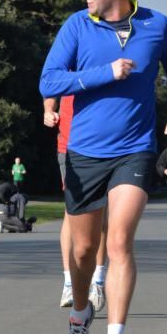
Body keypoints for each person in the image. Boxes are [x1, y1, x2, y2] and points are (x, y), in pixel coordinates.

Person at [39, 0, 167, 334]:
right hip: (85, 151)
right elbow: (49, 80)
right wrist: (106, 72)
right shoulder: (76, 26)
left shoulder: (157, 24)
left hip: (135, 149)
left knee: (120, 240)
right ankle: (81, 314)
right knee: (84, 250)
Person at [44, 96, 108, 311]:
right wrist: (48, 109)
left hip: (105, 146)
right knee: (71, 213)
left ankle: (97, 280)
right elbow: (51, 85)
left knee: (102, 214)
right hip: (69, 144)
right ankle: (69, 282)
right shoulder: (66, 61)